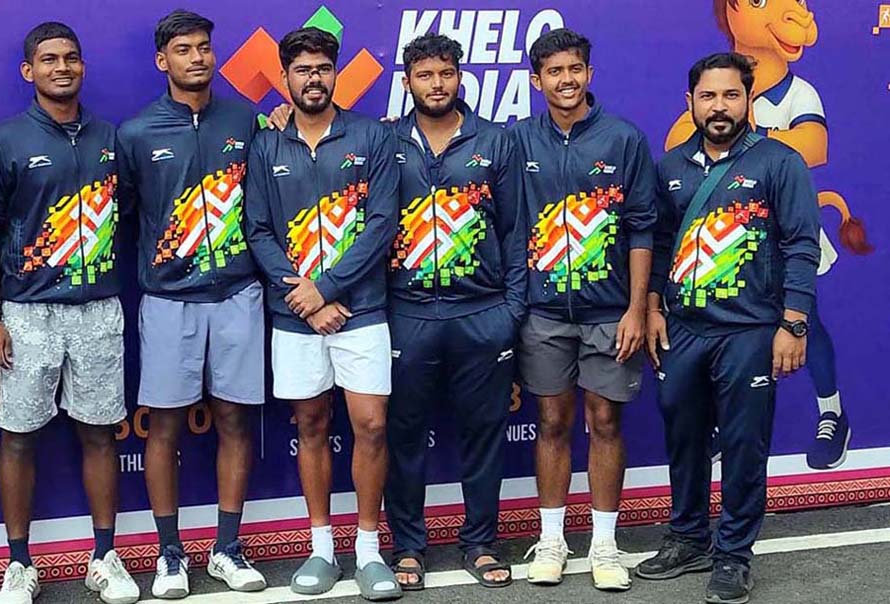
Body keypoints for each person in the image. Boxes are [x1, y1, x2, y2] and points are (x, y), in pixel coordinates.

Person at [637, 52, 819, 604]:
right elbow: (659, 244)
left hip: (749, 331)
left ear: (748, 100)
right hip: (683, 331)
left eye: (731, 95)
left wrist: (793, 323)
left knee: (742, 444)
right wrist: (652, 307)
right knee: (685, 439)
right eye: (709, 96)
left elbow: (801, 245)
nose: (719, 107)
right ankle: (688, 538)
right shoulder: (669, 167)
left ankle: (734, 555)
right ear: (690, 102)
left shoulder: (779, 162)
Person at [0, 22, 138, 604]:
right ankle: (19, 565)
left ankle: (105, 557)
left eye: (70, 58)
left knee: (100, 434)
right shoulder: (5, 140)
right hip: (27, 313)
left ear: (82, 66)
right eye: (48, 59)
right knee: (17, 438)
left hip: (98, 311)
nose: (61, 67)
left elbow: (130, 213)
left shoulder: (111, 137)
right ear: (29, 71)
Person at [244, 26, 402, 601]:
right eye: (303, 70)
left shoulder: (371, 137)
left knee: (372, 426)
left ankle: (368, 550)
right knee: (310, 426)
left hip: (361, 310)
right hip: (295, 316)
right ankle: (321, 548)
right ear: (285, 78)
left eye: (323, 69)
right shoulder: (267, 144)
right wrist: (304, 299)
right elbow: (257, 230)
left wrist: (329, 289)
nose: (314, 79)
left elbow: (382, 224)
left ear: (335, 74)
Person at [115, 10, 267, 600]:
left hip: (238, 293)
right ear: (163, 61)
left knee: (234, 420)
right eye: (183, 49)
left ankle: (227, 548)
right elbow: (125, 217)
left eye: (204, 47)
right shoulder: (135, 133)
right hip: (168, 298)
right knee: (165, 427)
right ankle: (169, 554)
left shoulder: (246, 120)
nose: (197, 58)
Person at [508, 28, 658, 591]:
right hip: (544, 313)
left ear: (589, 74)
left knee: (605, 421)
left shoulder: (624, 139)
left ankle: (604, 545)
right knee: (551, 422)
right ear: (536, 80)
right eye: (554, 71)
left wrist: (636, 308)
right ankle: (551, 540)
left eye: (575, 69)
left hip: (609, 313)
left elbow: (642, 227)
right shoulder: (517, 141)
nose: (566, 80)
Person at [382, 33, 525, 592]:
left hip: (482, 312)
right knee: (403, 435)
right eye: (425, 75)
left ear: (460, 77)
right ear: (408, 83)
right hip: (408, 312)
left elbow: (516, 231)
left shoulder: (495, 141)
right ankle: (408, 546)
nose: (436, 84)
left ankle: (480, 542)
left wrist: (510, 310)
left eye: (445, 73)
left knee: (483, 433)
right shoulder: (385, 139)